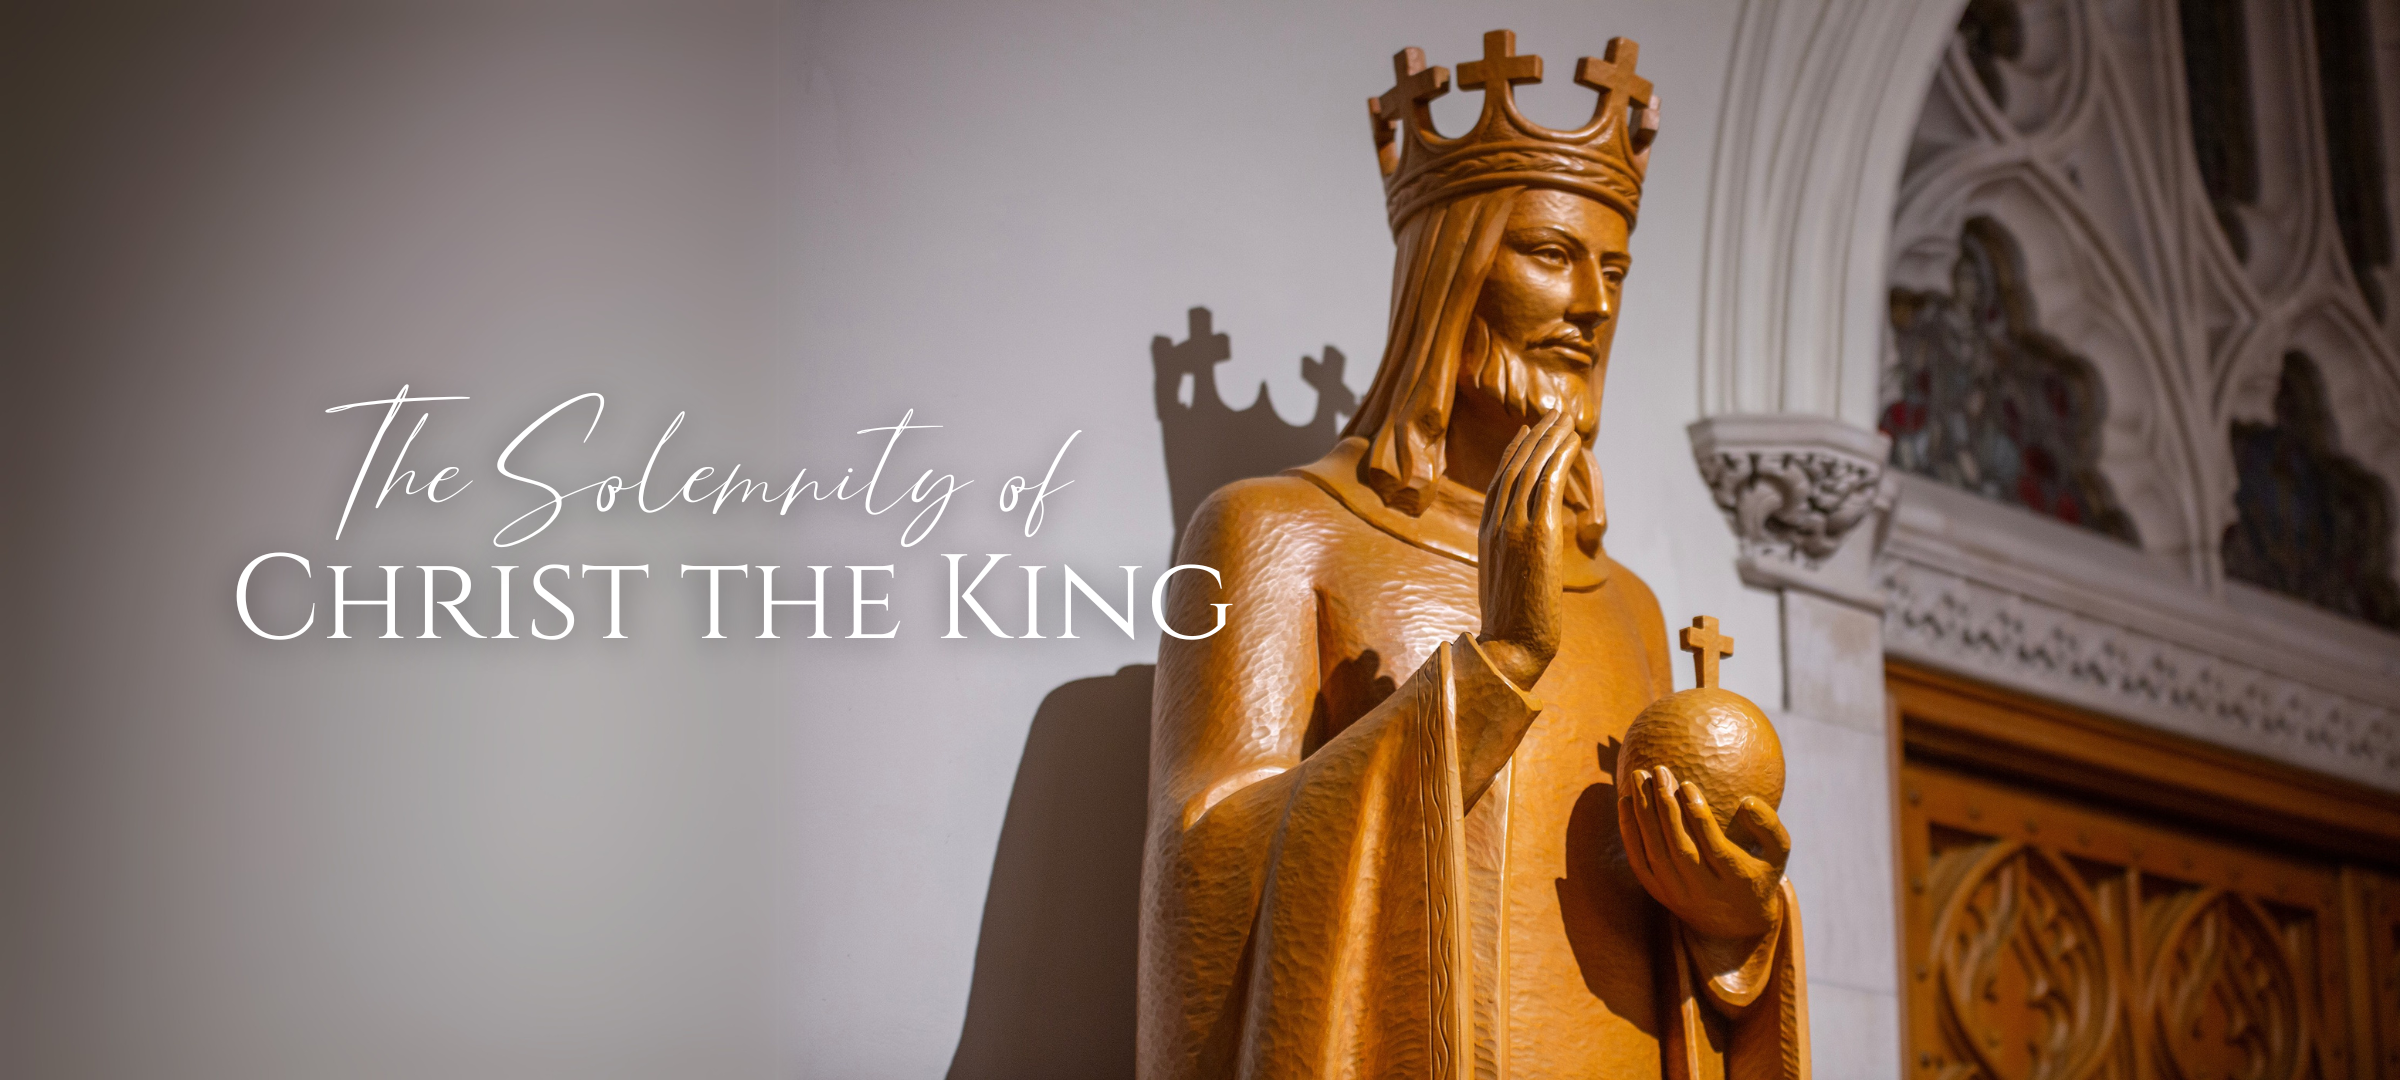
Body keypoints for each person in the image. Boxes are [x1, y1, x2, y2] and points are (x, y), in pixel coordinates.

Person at [1139, 31, 1807, 1079]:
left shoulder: (1627, 605)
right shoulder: (1274, 532)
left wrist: (1733, 924)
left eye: (1614, 269)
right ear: (1449, 270)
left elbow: (1650, 924)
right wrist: (1496, 668)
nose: (1592, 304)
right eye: (1550, 254)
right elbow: (1206, 876)